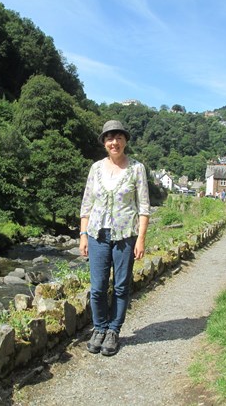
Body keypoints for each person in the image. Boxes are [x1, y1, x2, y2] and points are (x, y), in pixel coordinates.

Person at [79, 120, 150, 356]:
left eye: (119, 137)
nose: (114, 142)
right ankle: (99, 328)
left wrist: (140, 239)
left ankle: (113, 331)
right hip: (97, 234)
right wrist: (83, 234)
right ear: (104, 143)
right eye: (110, 138)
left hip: (125, 236)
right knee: (98, 287)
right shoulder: (96, 168)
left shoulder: (137, 168)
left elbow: (143, 206)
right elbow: (87, 203)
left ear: (125, 141)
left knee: (121, 286)